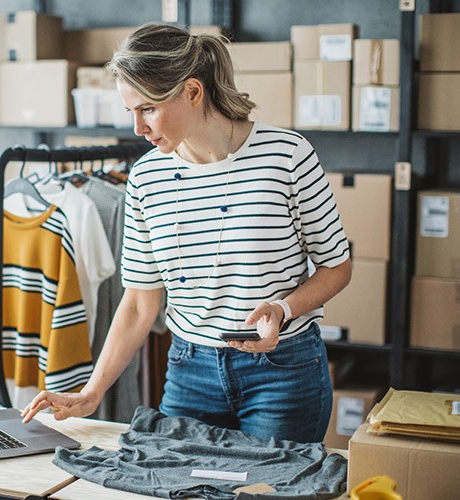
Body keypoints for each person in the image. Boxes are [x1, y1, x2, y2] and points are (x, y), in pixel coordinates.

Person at [21, 22, 352, 443]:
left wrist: (283, 311)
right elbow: (141, 304)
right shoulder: (145, 179)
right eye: (131, 112)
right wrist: (91, 392)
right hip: (189, 371)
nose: (138, 129)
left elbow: (336, 267)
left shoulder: (286, 156)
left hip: (282, 372)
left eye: (148, 109)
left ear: (193, 92)